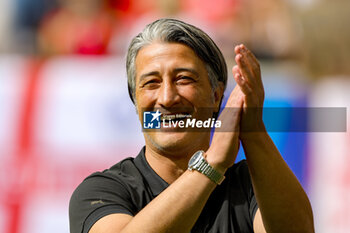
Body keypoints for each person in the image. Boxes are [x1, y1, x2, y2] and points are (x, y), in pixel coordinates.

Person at [69, 18, 314, 233]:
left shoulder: (252, 185)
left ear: (217, 95)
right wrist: (211, 165)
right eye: (151, 83)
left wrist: (252, 129)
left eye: (183, 79)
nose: (166, 98)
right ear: (135, 101)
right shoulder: (102, 191)